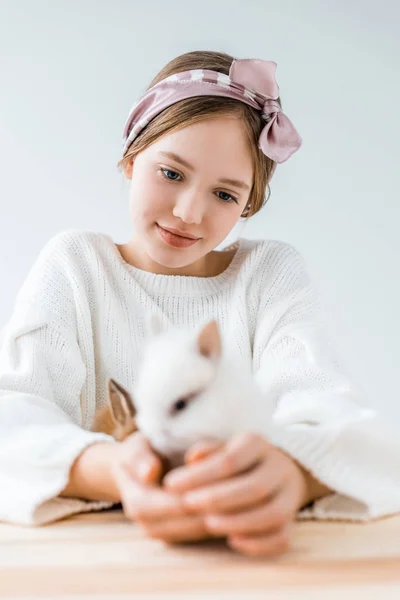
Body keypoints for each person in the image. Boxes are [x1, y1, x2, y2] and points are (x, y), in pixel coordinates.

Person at [1, 50, 400, 558]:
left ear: (249, 204)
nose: (189, 212)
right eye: (171, 173)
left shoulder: (268, 275)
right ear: (130, 157)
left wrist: (294, 474)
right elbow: (9, 414)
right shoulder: (76, 266)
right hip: (99, 565)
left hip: (243, 564)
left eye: (226, 194)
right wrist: (117, 471)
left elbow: (341, 420)